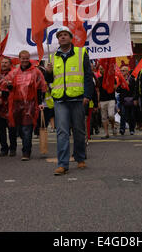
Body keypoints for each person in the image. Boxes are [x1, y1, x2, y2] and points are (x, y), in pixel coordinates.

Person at [46, 27, 93, 175]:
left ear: (70, 38)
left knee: (79, 131)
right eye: (60, 36)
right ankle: (62, 164)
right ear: (58, 39)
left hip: (78, 98)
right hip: (60, 100)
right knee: (62, 132)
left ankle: (80, 158)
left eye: (65, 35)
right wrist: (47, 73)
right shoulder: (53, 57)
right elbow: (50, 80)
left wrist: (88, 95)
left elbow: (88, 75)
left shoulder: (81, 53)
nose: (63, 37)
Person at [6, 50, 47, 161]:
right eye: (22, 58)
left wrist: (40, 102)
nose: (24, 60)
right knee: (18, 128)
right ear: (19, 59)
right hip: (16, 104)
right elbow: (8, 88)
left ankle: (26, 152)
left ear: (29, 58)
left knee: (27, 129)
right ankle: (24, 147)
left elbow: (41, 87)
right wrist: (9, 85)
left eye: (26, 58)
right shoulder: (14, 72)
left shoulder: (36, 72)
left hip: (30, 104)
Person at [0, 57, 17, 157]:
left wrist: (2, 94)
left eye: (6, 62)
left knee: (11, 128)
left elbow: (15, 89)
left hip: (10, 105)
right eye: (2, 62)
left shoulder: (14, 74)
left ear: (10, 64)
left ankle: (13, 148)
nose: (4, 64)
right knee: (1, 129)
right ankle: (4, 148)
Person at [97, 64, 117, 139]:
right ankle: (106, 133)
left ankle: (113, 125)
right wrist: (98, 102)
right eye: (100, 69)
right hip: (102, 100)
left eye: (102, 69)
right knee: (104, 117)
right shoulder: (99, 79)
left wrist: (110, 83)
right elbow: (98, 91)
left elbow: (115, 87)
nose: (101, 70)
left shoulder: (111, 78)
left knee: (111, 115)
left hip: (111, 99)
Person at [117, 66, 136, 135]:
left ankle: (132, 129)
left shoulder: (131, 79)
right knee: (123, 115)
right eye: (121, 70)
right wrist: (121, 85)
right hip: (123, 100)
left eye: (124, 70)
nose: (122, 72)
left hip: (130, 99)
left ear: (127, 71)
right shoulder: (120, 79)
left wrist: (129, 84)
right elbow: (117, 90)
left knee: (131, 115)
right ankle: (122, 129)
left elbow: (134, 89)